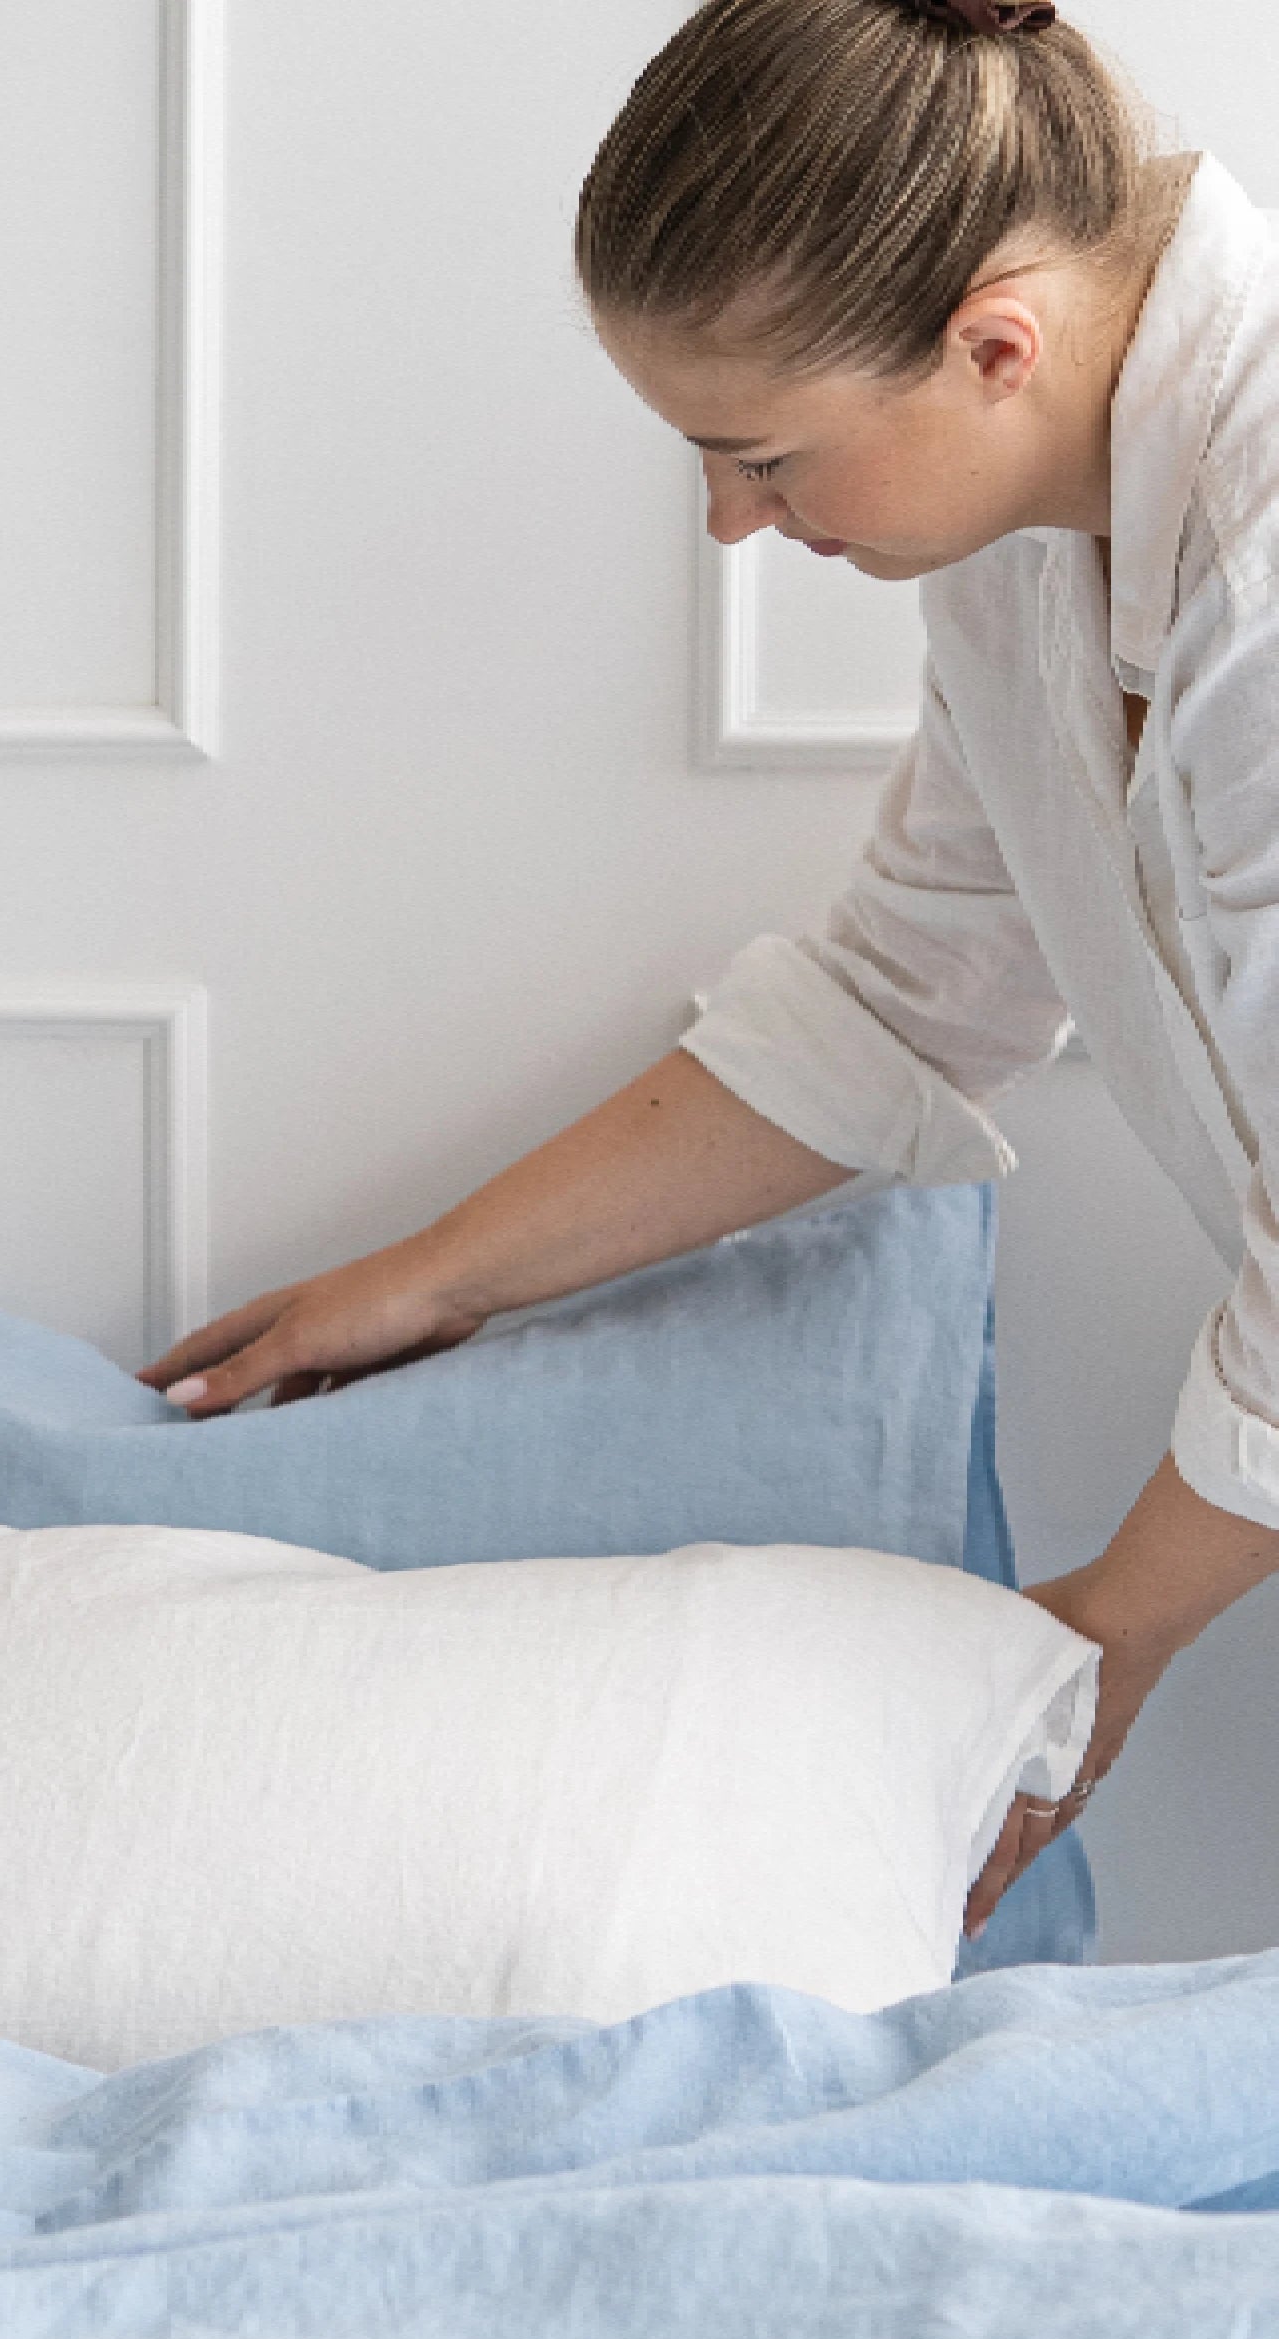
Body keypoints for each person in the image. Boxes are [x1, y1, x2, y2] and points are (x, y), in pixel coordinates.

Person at [139, 0, 1279, 1938]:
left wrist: (1104, 1636)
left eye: (762, 458)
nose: (733, 522)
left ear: (992, 347)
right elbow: (898, 999)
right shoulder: (1028, 542)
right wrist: (426, 1280)